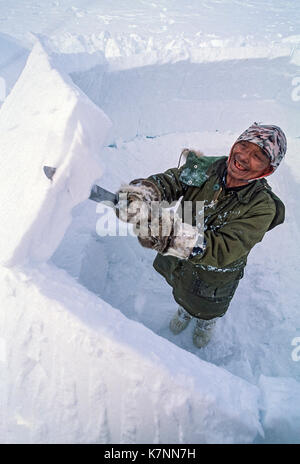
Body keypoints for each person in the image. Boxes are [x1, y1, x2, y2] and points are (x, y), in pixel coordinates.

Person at [116, 123, 287, 348]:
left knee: (206, 307)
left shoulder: (262, 207)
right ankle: (185, 312)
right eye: (243, 145)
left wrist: (169, 236)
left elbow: (222, 248)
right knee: (182, 292)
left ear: (268, 169)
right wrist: (145, 194)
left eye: (258, 156)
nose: (244, 157)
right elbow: (172, 182)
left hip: (213, 278)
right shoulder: (208, 167)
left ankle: (205, 323)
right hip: (180, 261)